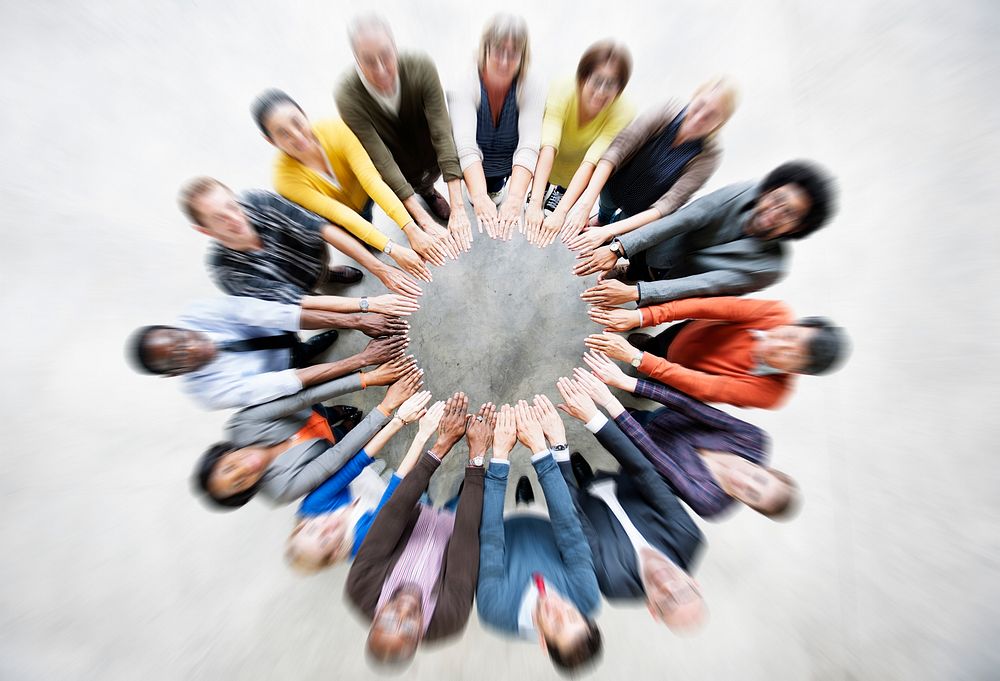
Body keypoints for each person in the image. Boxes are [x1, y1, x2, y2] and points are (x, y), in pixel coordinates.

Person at [552, 379, 708, 631]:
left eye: (666, 603)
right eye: (684, 592)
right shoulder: (689, 537)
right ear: (695, 583)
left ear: (652, 610)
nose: (668, 586)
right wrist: (594, 418)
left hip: (583, 506)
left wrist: (558, 452)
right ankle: (586, 473)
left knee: (578, 479)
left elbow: (572, 521)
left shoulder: (613, 586)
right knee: (593, 475)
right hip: (622, 484)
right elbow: (646, 474)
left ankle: (579, 472)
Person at [345, 393, 487, 667]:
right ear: (420, 635)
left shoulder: (361, 589)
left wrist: (440, 447)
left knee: (421, 491)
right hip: (456, 529)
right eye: (409, 629)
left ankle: (435, 489)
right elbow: (467, 538)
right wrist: (476, 459)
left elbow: (393, 514)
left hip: (413, 512)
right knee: (467, 494)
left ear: (375, 618)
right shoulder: (449, 621)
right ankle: (461, 486)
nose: (403, 612)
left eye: (388, 620)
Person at [575, 160, 837, 307]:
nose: (777, 212)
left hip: (683, 283)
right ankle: (629, 273)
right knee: (638, 264)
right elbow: (685, 219)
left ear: (799, 228)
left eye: (790, 214)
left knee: (645, 303)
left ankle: (636, 291)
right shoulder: (745, 191)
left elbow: (704, 285)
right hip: (664, 248)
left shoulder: (771, 267)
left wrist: (639, 294)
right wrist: (618, 248)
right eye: (778, 199)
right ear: (768, 191)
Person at [249, 90, 447, 283]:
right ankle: (368, 239)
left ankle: (426, 194)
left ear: (303, 113)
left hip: (365, 192)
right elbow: (338, 213)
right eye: (283, 134)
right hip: (338, 216)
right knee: (361, 232)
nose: (297, 136)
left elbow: (372, 182)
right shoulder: (284, 179)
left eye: (297, 123)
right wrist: (390, 247)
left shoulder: (336, 128)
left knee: (384, 187)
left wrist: (410, 228)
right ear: (270, 141)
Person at [577, 353, 799, 519]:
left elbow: (659, 461)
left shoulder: (710, 504)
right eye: (759, 479)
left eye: (752, 494)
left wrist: (610, 404)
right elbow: (691, 407)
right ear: (767, 469)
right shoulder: (754, 441)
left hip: (647, 455)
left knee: (615, 435)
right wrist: (628, 382)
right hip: (667, 419)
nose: (744, 481)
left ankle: (592, 468)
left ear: (750, 505)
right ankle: (631, 410)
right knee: (635, 416)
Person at [192, 359, 422, 509]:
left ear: (222, 455)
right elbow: (337, 457)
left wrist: (366, 379)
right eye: (238, 483)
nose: (244, 469)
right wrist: (385, 408)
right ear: (245, 493)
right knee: (343, 435)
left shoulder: (241, 425)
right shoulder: (280, 492)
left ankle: (338, 412)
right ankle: (346, 425)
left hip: (308, 411)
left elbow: (302, 399)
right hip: (328, 446)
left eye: (230, 467)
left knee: (326, 411)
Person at [477, 402, 603, 674]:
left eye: (557, 624)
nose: (559, 609)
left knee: (504, 508)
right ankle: (527, 500)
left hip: (503, 523)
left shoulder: (495, 611)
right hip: (544, 521)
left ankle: (521, 501)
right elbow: (569, 530)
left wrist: (499, 458)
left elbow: (490, 540)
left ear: (543, 643)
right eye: (571, 614)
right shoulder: (587, 597)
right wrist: (540, 452)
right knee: (532, 503)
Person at [127, 295, 410, 410]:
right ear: (172, 374)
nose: (187, 347)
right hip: (278, 372)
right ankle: (306, 352)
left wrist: (357, 318)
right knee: (305, 375)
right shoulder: (206, 394)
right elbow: (284, 383)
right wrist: (361, 360)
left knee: (301, 345)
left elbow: (278, 314)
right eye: (177, 358)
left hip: (279, 333)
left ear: (173, 326)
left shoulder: (200, 311)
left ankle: (308, 347)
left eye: (178, 338)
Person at [335, 15, 472, 252]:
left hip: (427, 152)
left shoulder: (421, 65)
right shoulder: (347, 94)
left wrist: (459, 205)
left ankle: (428, 193)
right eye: (368, 61)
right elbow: (380, 157)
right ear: (356, 59)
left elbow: (441, 131)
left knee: (427, 181)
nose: (380, 69)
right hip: (395, 164)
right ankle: (418, 204)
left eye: (386, 55)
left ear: (395, 47)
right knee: (400, 185)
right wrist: (421, 221)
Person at [562, 77, 738, 252]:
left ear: (721, 123)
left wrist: (608, 232)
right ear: (695, 95)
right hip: (617, 182)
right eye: (700, 105)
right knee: (606, 206)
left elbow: (668, 205)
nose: (699, 117)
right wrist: (585, 206)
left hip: (643, 208)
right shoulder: (668, 108)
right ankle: (601, 218)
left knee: (617, 228)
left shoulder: (710, 155)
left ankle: (606, 228)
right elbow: (618, 149)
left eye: (711, 115)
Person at [180, 176, 423, 301]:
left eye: (232, 206)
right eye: (218, 219)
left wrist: (380, 267)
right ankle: (325, 284)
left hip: (314, 256)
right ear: (205, 231)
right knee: (312, 300)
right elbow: (293, 305)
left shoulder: (258, 201)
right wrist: (363, 307)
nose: (234, 219)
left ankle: (328, 274)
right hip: (298, 292)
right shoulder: (225, 271)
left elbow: (321, 228)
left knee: (323, 271)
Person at [585, 297, 849, 409]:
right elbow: (710, 307)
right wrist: (643, 316)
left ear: (798, 371)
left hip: (685, 377)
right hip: (688, 335)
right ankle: (649, 348)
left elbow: (706, 387)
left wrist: (636, 359)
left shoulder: (773, 393)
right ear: (795, 324)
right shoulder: (776, 313)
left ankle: (640, 374)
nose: (779, 346)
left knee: (645, 381)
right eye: (790, 336)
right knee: (657, 344)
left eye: (792, 356)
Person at [286, 395, 446, 572]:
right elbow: (395, 494)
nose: (326, 527)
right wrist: (422, 435)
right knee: (420, 500)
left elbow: (356, 463)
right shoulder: (361, 541)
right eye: (325, 540)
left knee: (392, 475)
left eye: (313, 529)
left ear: (304, 524)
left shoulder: (313, 507)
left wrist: (399, 419)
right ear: (335, 552)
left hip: (370, 480)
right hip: (398, 507)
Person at [524, 40, 635, 248]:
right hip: (552, 158)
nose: (601, 92)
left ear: (620, 88)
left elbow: (591, 162)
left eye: (610, 84)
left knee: (564, 188)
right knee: (542, 184)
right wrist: (535, 201)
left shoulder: (624, 111)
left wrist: (561, 212)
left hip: (577, 169)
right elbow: (548, 144)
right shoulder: (563, 87)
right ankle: (542, 188)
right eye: (597, 80)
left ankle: (559, 193)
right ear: (583, 77)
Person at [448, 13, 545, 240]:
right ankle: (484, 189)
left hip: (507, 160)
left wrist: (515, 198)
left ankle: (495, 187)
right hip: (476, 159)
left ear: (523, 55)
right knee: (482, 193)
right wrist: (479, 196)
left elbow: (529, 144)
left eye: (512, 54)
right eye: (498, 51)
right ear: (485, 49)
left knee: (497, 187)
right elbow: (465, 144)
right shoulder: (463, 79)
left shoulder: (531, 83)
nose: (503, 61)